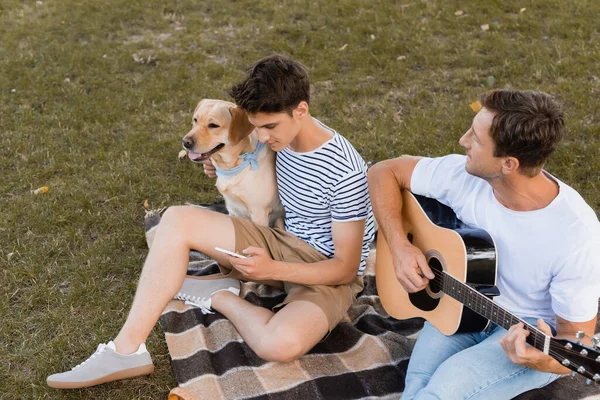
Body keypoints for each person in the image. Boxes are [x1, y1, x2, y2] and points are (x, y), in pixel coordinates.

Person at [47, 54, 375, 389]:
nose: (261, 137)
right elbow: (246, 153)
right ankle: (126, 351)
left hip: (327, 271)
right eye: (256, 125)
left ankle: (219, 295)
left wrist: (271, 271)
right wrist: (220, 164)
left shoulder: (344, 172)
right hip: (280, 238)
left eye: (269, 127)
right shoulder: (281, 135)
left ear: (301, 110)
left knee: (279, 344)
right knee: (176, 219)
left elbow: (346, 269)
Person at [368, 89, 600, 399]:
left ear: (508, 164)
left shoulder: (576, 234)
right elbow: (383, 171)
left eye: (476, 139)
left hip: (524, 330)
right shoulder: (464, 177)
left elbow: (577, 342)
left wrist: (542, 359)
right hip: (462, 303)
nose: (463, 140)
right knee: (419, 384)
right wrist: (399, 246)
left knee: (439, 392)